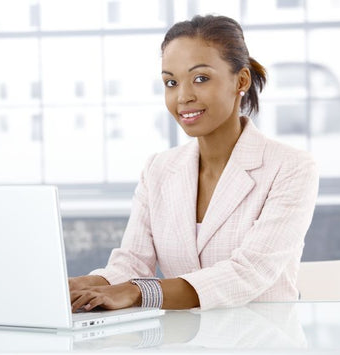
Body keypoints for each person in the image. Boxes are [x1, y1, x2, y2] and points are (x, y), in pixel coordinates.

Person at [69, 14, 319, 311]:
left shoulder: (290, 167)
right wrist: (77, 285)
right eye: (171, 82)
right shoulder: (158, 169)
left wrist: (138, 293)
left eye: (200, 78)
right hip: (185, 341)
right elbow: (132, 263)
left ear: (241, 80)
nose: (183, 96)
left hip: (262, 339)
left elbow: (249, 272)